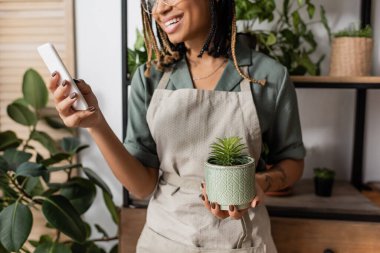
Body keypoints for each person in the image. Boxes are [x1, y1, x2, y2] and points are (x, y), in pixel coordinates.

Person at [49, 0, 306, 252]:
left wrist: (257, 183)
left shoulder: (268, 76)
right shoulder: (150, 77)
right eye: (153, 1)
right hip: (165, 238)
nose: (160, 9)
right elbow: (141, 187)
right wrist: (96, 124)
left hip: (241, 239)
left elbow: (292, 162)